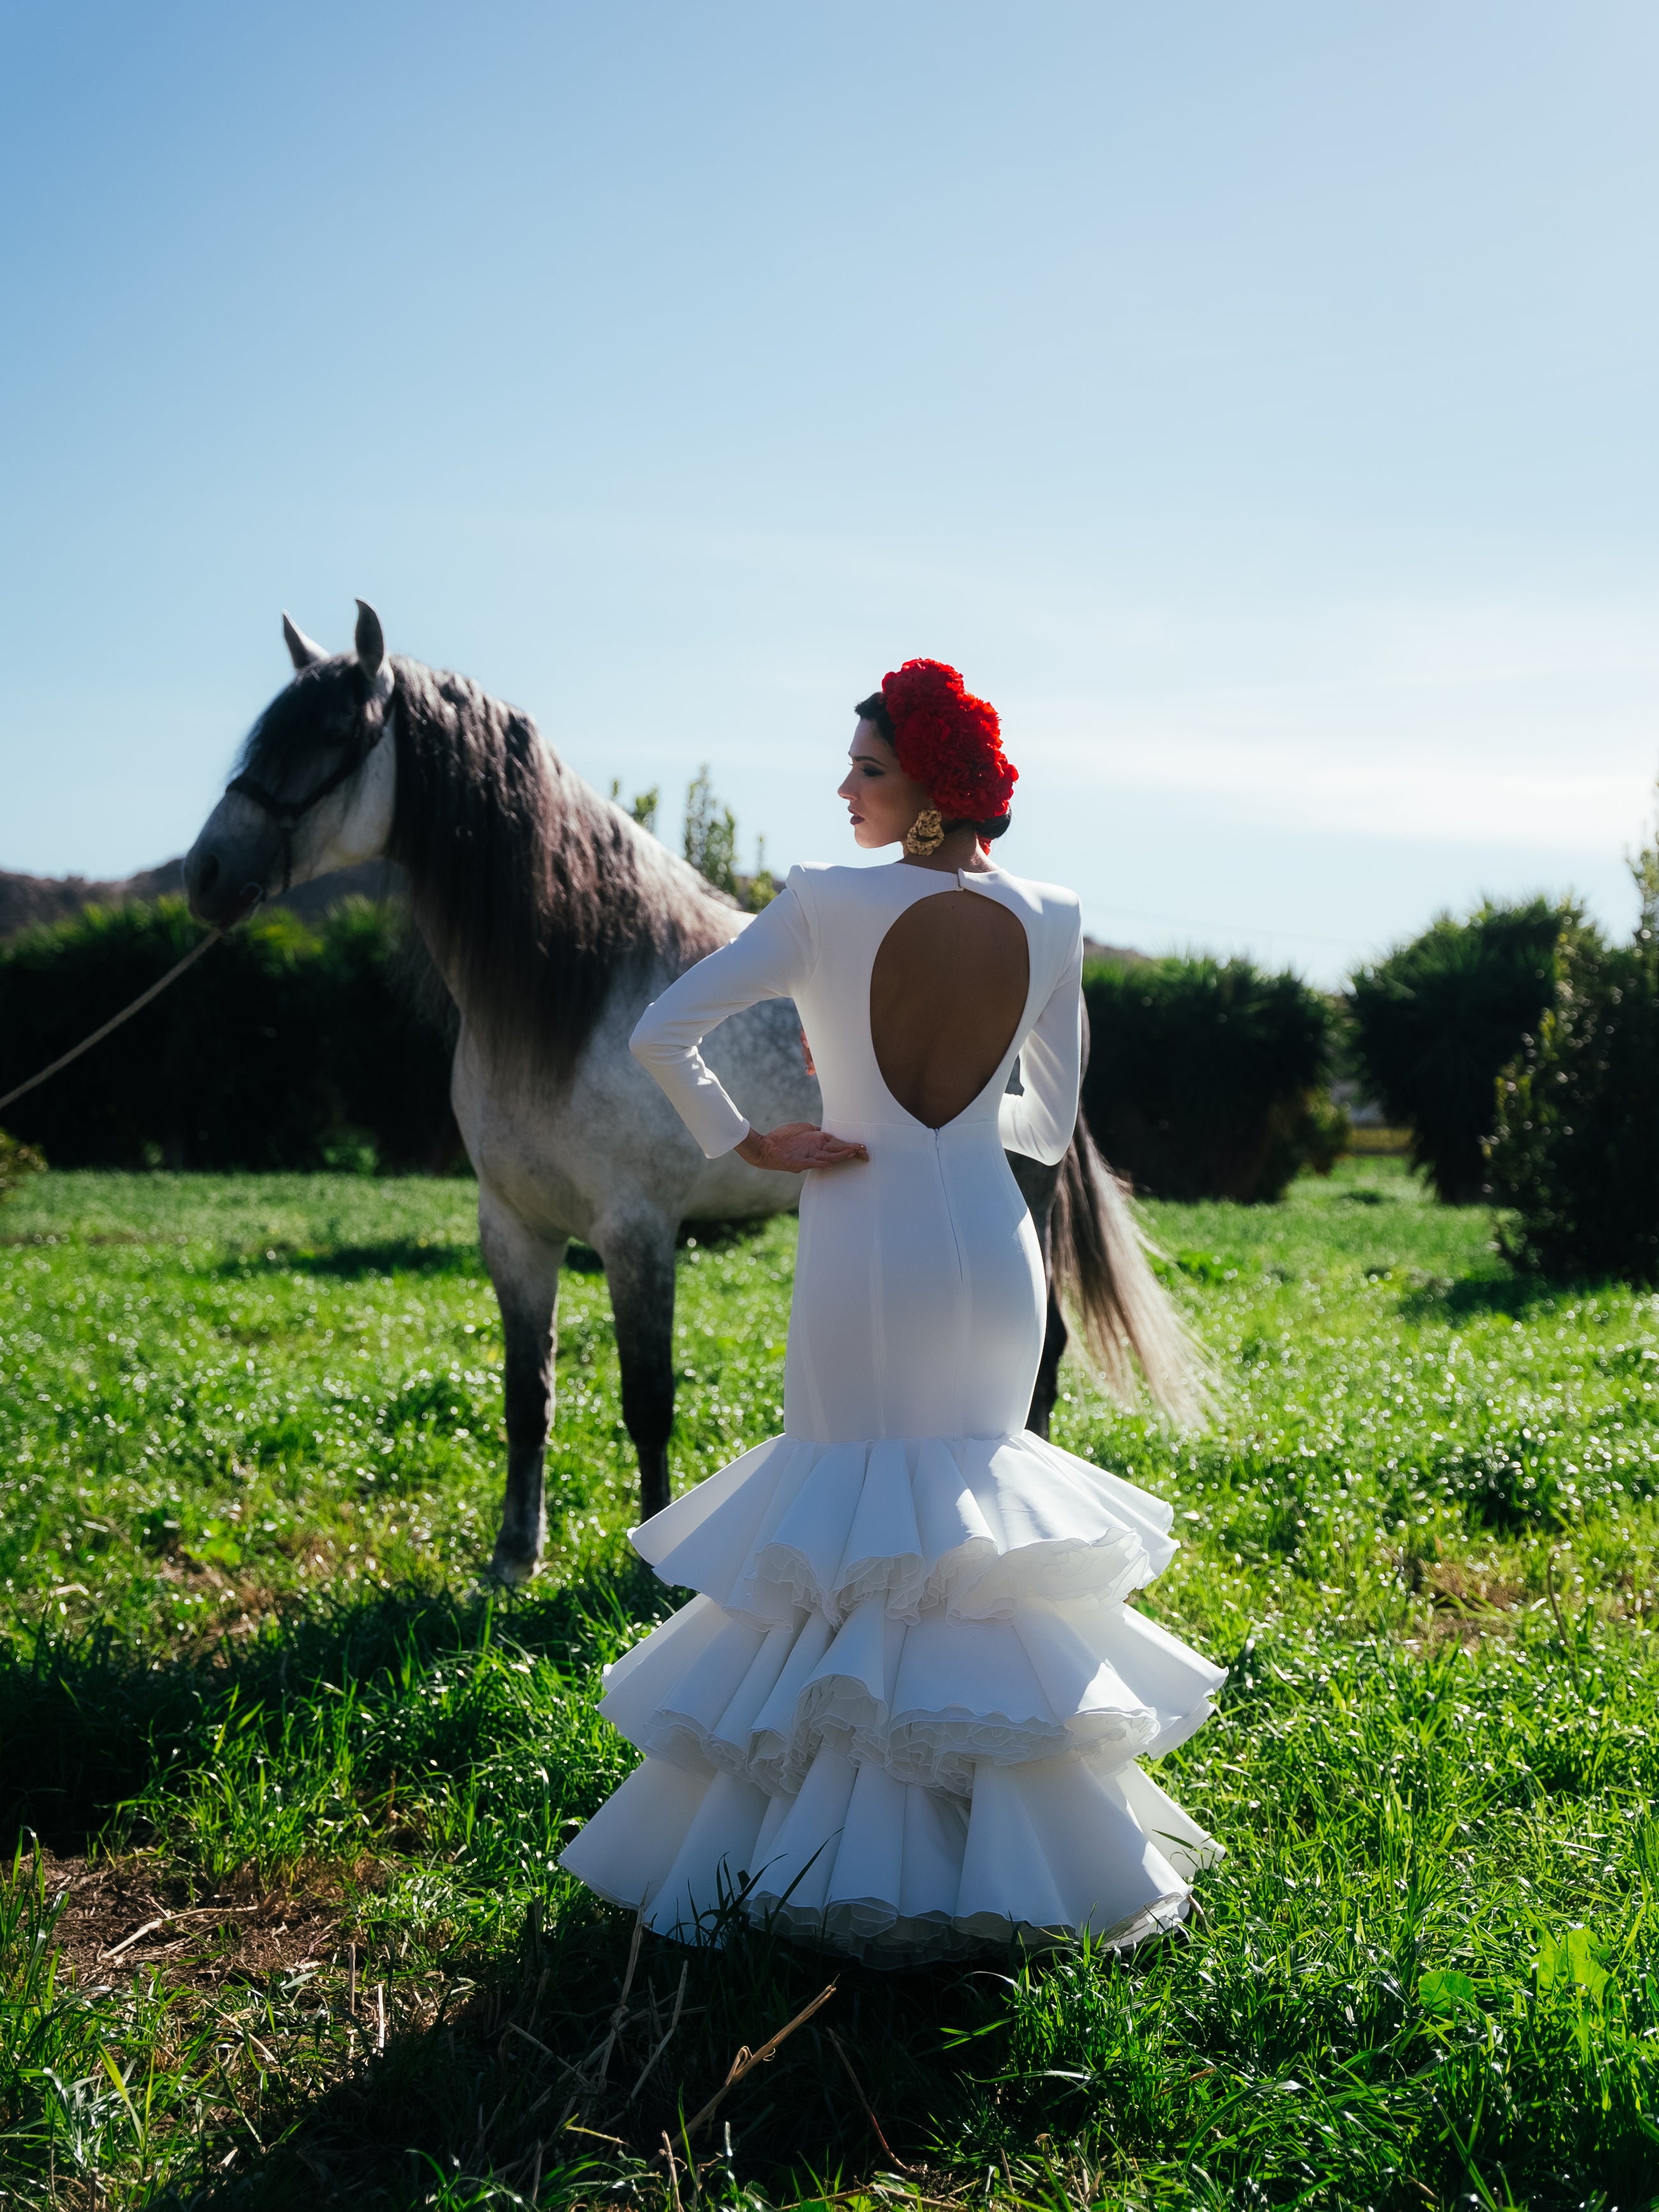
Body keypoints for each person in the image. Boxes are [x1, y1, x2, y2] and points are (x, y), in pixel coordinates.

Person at [559, 660, 1223, 1966]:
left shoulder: (821, 904)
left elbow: (663, 1031)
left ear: (926, 790)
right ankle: (1023, 1856)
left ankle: (827, 1852)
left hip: (860, 1237)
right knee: (976, 1546)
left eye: (867, 769)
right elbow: (1049, 1110)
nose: (846, 788)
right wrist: (960, 1132)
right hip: (990, 1242)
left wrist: (749, 1140)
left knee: (850, 1528)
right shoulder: (1051, 911)